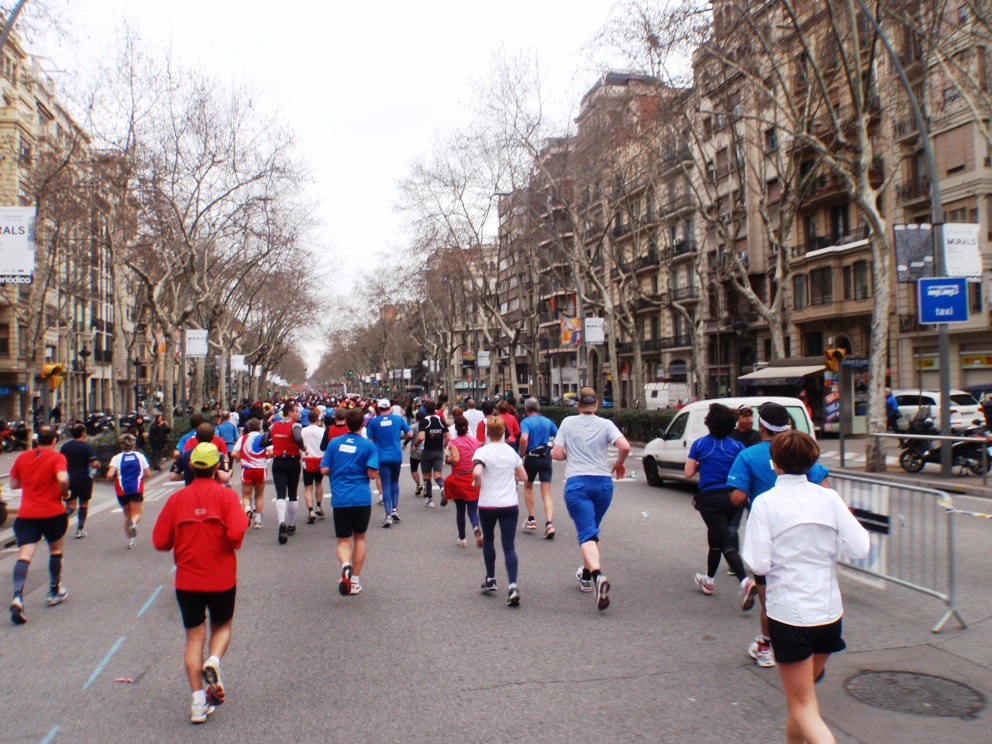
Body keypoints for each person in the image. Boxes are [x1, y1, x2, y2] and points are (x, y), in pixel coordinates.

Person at [742, 431, 869, 744]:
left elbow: (758, 562)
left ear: (774, 463)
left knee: (803, 705)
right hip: (828, 613)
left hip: (788, 614)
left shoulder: (766, 502)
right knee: (800, 702)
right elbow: (860, 547)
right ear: (812, 462)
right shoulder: (828, 498)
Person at [727, 402, 831, 668]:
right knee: (805, 586)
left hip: (769, 536)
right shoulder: (798, 450)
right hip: (806, 535)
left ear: (762, 426)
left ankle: (766, 645)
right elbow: (827, 491)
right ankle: (810, 641)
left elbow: (737, 497)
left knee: (770, 596)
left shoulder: (748, 456)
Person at [152, 443, 249, 724]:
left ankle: (197, 703)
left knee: (194, 638)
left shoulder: (176, 501)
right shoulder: (227, 498)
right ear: (217, 468)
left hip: (187, 580)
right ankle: (214, 661)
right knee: (222, 627)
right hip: (221, 577)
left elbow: (160, 541)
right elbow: (236, 535)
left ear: (191, 467)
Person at [551, 387, 630, 611]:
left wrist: (570, 454)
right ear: (596, 404)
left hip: (578, 484)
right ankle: (586, 575)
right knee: (592, 530)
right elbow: (624, 446)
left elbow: (556, 454)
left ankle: (597, 576)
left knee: (586, 534)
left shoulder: (567, 422)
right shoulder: (605, 424)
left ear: (578, 405)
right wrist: (619, 463)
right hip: (603, 485)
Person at [684, 403, 751, 599]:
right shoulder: (738, 447)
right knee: (716, 538)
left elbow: (688, 473)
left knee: (724, 543)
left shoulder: (699, 444)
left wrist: (699, 464)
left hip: (710, 499)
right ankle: (709, 579)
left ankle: (745, 582)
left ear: (709, 424)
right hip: (733, 498)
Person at [8, 426, 70, 625]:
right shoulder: (56, 457)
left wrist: (30, 481)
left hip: (27, 514)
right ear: (54, 441)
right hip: (52, 512)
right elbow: (62, 478)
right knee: (55, 550)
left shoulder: (22, 458)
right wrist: (65, 493)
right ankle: (54, 589)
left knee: (24, 554)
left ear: (36, 440)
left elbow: (13, 484)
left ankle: (17, 595)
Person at [320, 408, 379, 596]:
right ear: (363, 424)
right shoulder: (369, 446)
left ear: (346, 422)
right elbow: (371, 473)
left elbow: (324, 470)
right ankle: (354, 581)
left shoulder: (334, 443)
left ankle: (346, 565)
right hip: (361, 498)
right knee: (360, 538)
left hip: (341, 498)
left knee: (343, 542)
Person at [472, 416, 527, 606]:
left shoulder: (482, 452)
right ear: (503, 431)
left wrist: (477, 480)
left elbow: (477, 472)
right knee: (509, 546)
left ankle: (491, 579)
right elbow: (524, 476)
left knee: (489, 540)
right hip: (509, 503)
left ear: (488, 433)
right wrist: (512, 476)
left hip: (488, 503)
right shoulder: (511, 453)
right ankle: (512, 585)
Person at [251, 402, 304, 544]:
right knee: (293, 493)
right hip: (293, 461)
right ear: (289, 413)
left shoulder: (274, 425)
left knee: (281, 493)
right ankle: (291, 524)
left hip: (278, 461)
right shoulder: (295, 425)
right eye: (296, 411)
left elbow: (263, 441)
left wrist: (275, 443)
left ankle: (282, 522)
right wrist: (303, 447)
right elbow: (298, 438)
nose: (298, 414)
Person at [365, 398, 412, 527]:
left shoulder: (373, 422)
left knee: (386, 485)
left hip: (381, 456)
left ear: (379, 409)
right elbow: (410, 434)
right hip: (396, 455)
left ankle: (388, 515)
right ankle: (395, 509)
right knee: (395, 482)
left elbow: (370, 439)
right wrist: (399, 437)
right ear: (390, 408)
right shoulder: (398, 419)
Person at [518, 397, 558, 538]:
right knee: (546, 492)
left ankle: (531, 519)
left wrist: (521, 453)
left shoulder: (526, 422)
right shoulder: (547, 421)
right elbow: (558, 436)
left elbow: (523, 438)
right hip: (546, 458)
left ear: (526, 409)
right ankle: (549, 523)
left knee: (528, 486)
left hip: (531, 458)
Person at [106, 433, 152, 549]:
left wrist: (112, 478)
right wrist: (138, 476)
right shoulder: (139, 456)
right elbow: (148, 473)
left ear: (121, 445)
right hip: (136, 488)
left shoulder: (116, 458)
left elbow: (109, 475)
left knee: (126, 515)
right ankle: (134, 523)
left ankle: (131, 541)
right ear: (133, 444)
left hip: (121, 490)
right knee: (136, 514)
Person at [445, 415, 482, 547]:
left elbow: (455, 459)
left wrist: (447, 459)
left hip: (459, 478)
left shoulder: (453, 443)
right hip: (473, 477)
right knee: (472, 510)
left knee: (460, 510)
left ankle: (462, 538)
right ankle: (476, 529)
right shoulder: (475, 441)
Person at [60, 422, 100, 539]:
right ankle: (80, 529)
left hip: (68, 479)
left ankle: (59, 518)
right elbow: (94, 463)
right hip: (84, 479)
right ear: (83, 433)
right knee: (83, 504)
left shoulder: (65, 447)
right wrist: (98, 464)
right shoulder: (87, 447)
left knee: (70, 506)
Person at [231, 418, 268, 529]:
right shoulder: (263, 438)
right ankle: (258, 520)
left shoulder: (242, 439)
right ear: (259, 427)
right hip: (260, 469)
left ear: (248, 428)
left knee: (246, 494)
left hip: (247, 469)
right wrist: (263, 456)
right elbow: (271, 452)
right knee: (260, 495)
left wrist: (242, 458)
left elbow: (233, 453)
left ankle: (247, 509)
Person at [415, 400, 448, 507]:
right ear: (435, 409)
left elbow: (421, 437)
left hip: (427, 451)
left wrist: (416, 445)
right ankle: (442, 487)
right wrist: (443, 445)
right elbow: (449, 437)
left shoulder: (424, 421)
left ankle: (430, 500)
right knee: (438, 475)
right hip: (439, 451)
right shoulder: (441, 421)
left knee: (427, 475)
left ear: (425, 410)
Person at [301, 409, 327, 524]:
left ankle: (310, 510)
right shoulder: (322, 431)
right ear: (318, 419)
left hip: (307, 461)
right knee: (319, 484)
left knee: (308, 487)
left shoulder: (302, 431)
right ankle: (318, 506)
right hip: (320, 460)